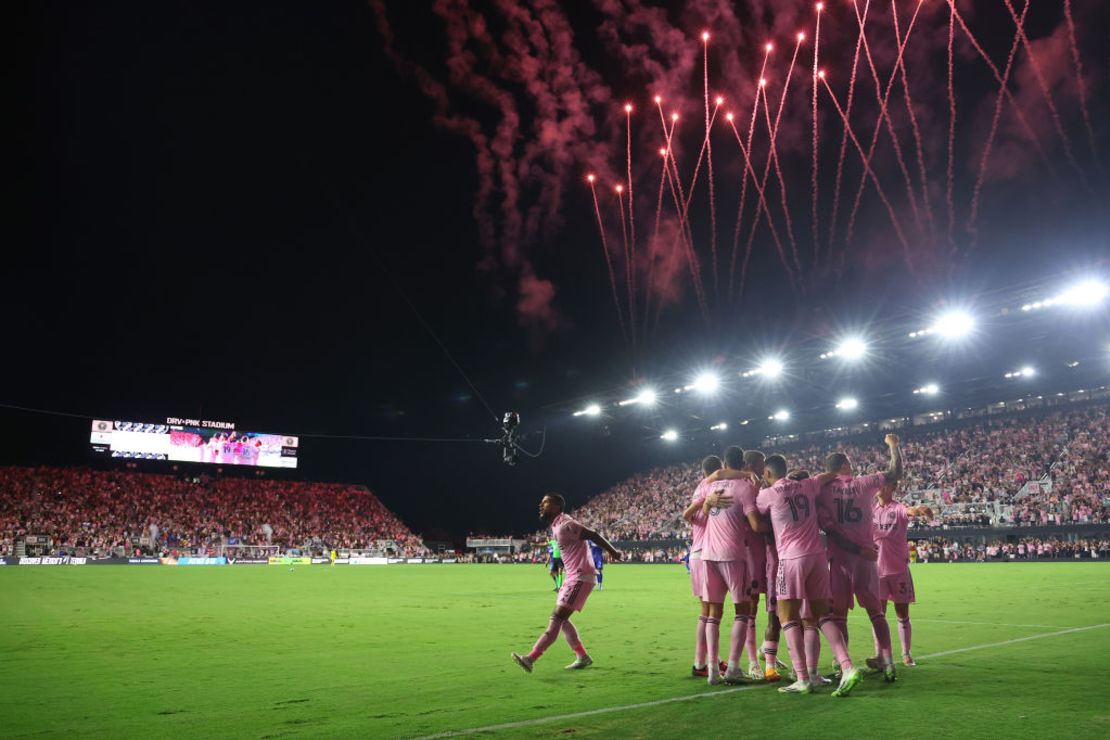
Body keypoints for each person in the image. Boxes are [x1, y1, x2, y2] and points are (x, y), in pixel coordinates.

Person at [757, 455, 859, 696]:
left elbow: (756, 515)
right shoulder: (808, 484)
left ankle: (802, 678)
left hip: (791, 558)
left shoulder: (768, 493)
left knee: (786, 616)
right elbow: (827, 475)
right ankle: (847, 666)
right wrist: (837, 472)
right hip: (817, 555)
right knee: (823, 615)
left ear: (769, 474)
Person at [819, 434, 904, 682]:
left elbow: (828, 529)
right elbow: (894, 473)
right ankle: (888, 663)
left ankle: (841, 665)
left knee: (839, 615)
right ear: (844, 466)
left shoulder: (822, 490)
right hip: (866, 558)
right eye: (850, 464)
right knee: (876, 613)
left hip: (839, 559)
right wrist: (893, 447)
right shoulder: (864, 484)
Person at [512, 494, 622, 672]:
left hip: (580, 577)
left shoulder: (565, 525)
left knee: (556, 618)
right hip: (572, 577)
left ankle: (531, 658)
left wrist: (614, 552)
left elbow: (592, 534)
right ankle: (582, 656)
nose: (541, 505)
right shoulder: (557, 525)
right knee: (562, 621)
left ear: (556, 506)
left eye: (545, 502)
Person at [698, 446, 762, 685]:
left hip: (708, 554)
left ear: (724, 463)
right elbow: (754, 523)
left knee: (713, 613)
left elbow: (704, 510)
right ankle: (734, 666)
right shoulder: (746, 487)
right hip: (733, 554)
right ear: (744, 464)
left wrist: (707, 504)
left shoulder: (711, 486)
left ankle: (713, 669)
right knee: (742, 611)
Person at [872, 481, 932, 666]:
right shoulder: (871, 511)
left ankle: (906, 653)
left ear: (891, 489)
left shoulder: (897, 508)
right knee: (878, 615)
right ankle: (879, 655)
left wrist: (919, 509)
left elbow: (909, 511)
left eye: (883, 485)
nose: (879, 488)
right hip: (877, 571)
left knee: (902, 612)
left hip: (898, 570)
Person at [681, 455, 726, 678]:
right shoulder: (713, 486)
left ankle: (709, 659)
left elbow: (689, 515)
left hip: (699, 553)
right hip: (704, 553)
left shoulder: (700, 488)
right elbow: (691, 514)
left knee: (708, 612)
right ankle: (702, 663)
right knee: (710, 612)